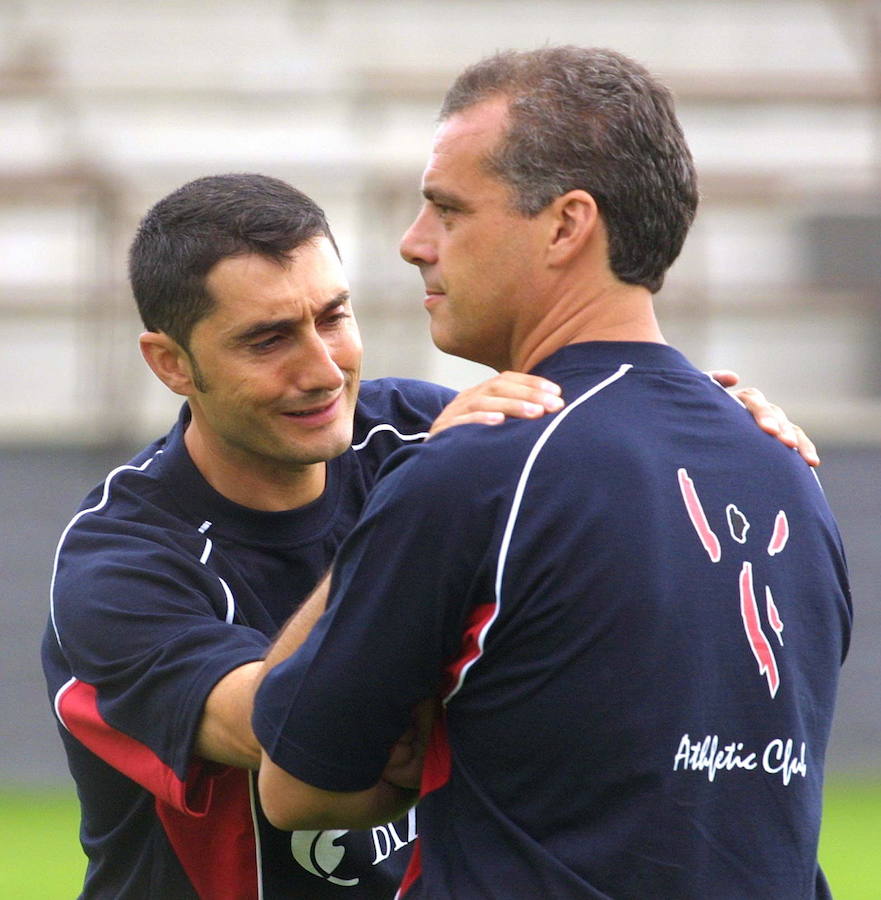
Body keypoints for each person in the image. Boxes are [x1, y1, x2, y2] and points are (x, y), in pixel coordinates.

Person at [252, 47, 852, 899]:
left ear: (567, 224)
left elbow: (294, 786)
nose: (413, 243)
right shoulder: (785, 466)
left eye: (447, 211)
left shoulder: (482, 465)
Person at [41, 172, 575, 899]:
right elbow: (283, 724)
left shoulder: (414, 433)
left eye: (332, 316)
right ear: (171, 364)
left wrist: (728, 432)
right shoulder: (118, 566)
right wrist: (418, 502)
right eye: (267, 340)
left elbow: (613, 471)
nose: (324, 371)